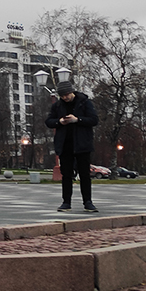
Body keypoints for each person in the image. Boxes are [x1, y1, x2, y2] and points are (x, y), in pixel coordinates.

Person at [46, 81, 99, 212]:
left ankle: (88, 202)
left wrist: (77, 120)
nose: (65, 97)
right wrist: (59, 122)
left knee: (84, 174)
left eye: (67, 94)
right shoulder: (58, 106)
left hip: (82, 144)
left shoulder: (84, 102)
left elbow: (94, 120)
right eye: (62, 95)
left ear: (72, 92)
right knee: (66, 174)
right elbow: (49, 121)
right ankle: (66, 202)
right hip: (65, 144)